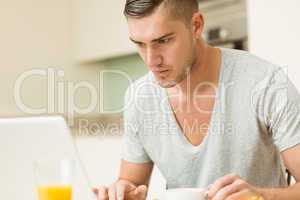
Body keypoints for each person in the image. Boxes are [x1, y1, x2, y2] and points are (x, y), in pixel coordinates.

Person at [95, 0, 300, 199]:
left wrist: (261, 196)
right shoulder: (139, 97)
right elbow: (132, 184)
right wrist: (123, 192)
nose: (151, 60)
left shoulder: (266, 83)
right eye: (140, 44)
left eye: (163, 41)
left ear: (196, 25)